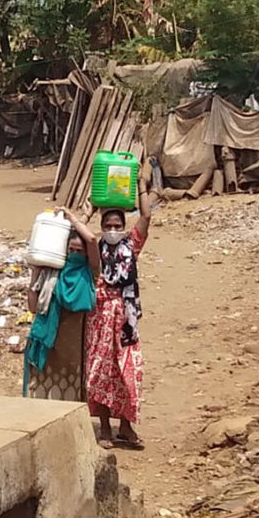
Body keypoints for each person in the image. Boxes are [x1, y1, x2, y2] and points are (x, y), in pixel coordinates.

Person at [86, 186, 153, 450]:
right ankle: (104, 428)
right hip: (100, 318)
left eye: (117, 225)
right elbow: (81, 228)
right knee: (101, 372)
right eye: (108, 225)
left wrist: (142, 188)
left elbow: (146, 217)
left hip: (125, 321)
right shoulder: (94, 250)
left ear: (123, 226)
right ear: (101, 226)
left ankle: (125, 426)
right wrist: (91, 208)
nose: (113, 229)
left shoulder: (130, 247)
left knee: (128, 371)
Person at [24, 209, 98, 401]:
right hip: (48, 342)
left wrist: (76, 218)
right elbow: (33, 307)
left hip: (74, 346)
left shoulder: (89, 273)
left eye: (79, 252)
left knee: (69, 390)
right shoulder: (52, 273)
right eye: (71, 250)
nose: (74, 254)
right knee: (42, 388)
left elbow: (90, 240)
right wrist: (35, 274)